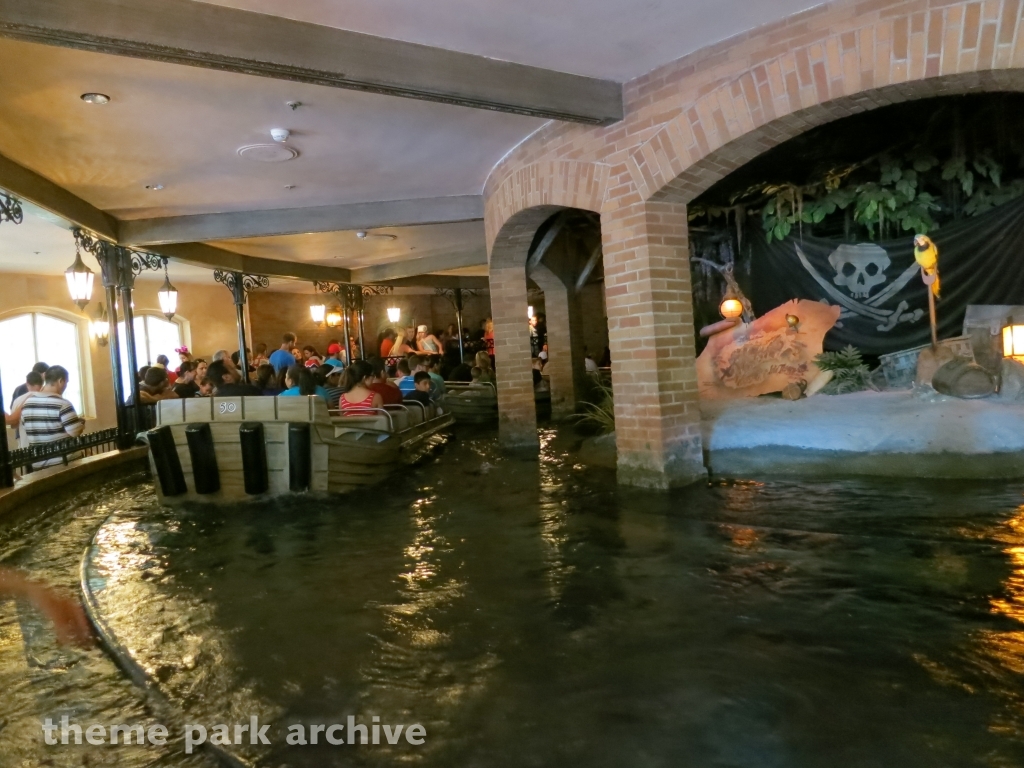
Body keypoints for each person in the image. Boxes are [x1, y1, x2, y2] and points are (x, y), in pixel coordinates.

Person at [17, 365, 85, 467]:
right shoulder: (63, 404)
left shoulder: (27, 404)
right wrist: (80, 424)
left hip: (38, 463)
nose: (66, 386)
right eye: (66, 382)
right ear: (61, 381)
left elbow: (27, 427)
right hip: (64, 462)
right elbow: (75, 432)